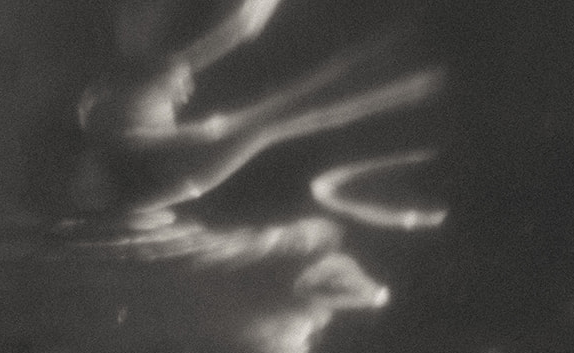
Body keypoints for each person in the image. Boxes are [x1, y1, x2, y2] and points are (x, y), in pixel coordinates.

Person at [71, 1, 442, 224]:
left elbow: (235, 31)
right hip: (158, 177)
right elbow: (272, 117)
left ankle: (400, 69)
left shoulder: (139, 89)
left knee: (272, 114)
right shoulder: (146, 145)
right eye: (175, 92)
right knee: (276, 118)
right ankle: (404, 68)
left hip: (148, 167)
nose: (186, 92)